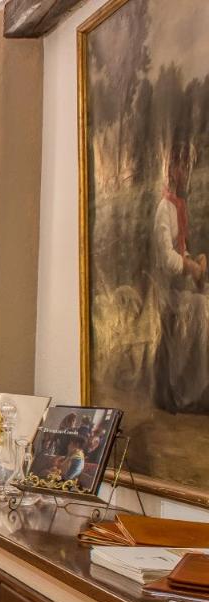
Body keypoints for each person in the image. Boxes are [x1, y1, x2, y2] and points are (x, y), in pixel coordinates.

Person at [152, 133, 209, 413]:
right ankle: (189, 391)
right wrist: (190, 266)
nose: (186, 172)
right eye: (182, 165)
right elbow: (166, 258)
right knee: (203, 308)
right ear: (172, 168)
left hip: (178, 285)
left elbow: (179, 250)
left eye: (188, 166)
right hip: (165, 290)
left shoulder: (178, 206)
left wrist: (194, 259)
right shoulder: (164, 208)